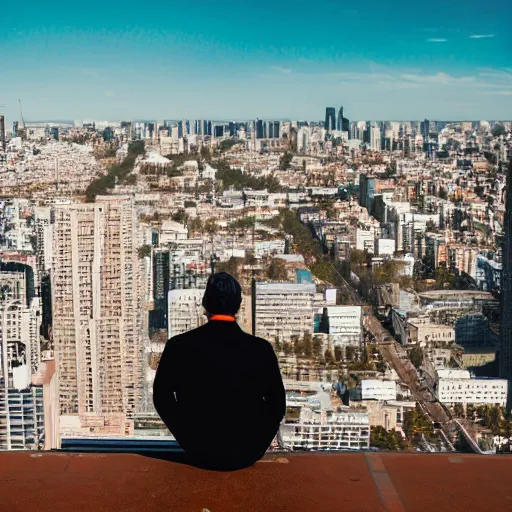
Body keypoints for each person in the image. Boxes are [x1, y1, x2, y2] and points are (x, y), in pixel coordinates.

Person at [153, 272, 286, 471]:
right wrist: (255, 444)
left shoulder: (178, 347)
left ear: (205, 304)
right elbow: (277, 406)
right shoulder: (261, 350)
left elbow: (161, 398)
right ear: (239, 305)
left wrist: (187, 436)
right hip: (246, 453)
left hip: (198, 451)